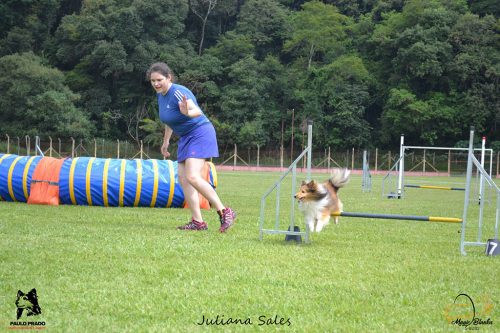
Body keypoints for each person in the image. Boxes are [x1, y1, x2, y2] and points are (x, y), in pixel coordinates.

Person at [147, 62, 236, 232]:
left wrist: (187, 112)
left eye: (159, 80)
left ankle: (225, 211)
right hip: (186, 137)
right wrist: (166, 142)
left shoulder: (178, 92)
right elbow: (169, 121)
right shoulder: (160, 95)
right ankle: (198, 222)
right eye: (153, 81)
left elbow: (197, 112)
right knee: (183, 178)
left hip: (200, 132)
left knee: (193, 176)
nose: (156, 84)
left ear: (169, 78)